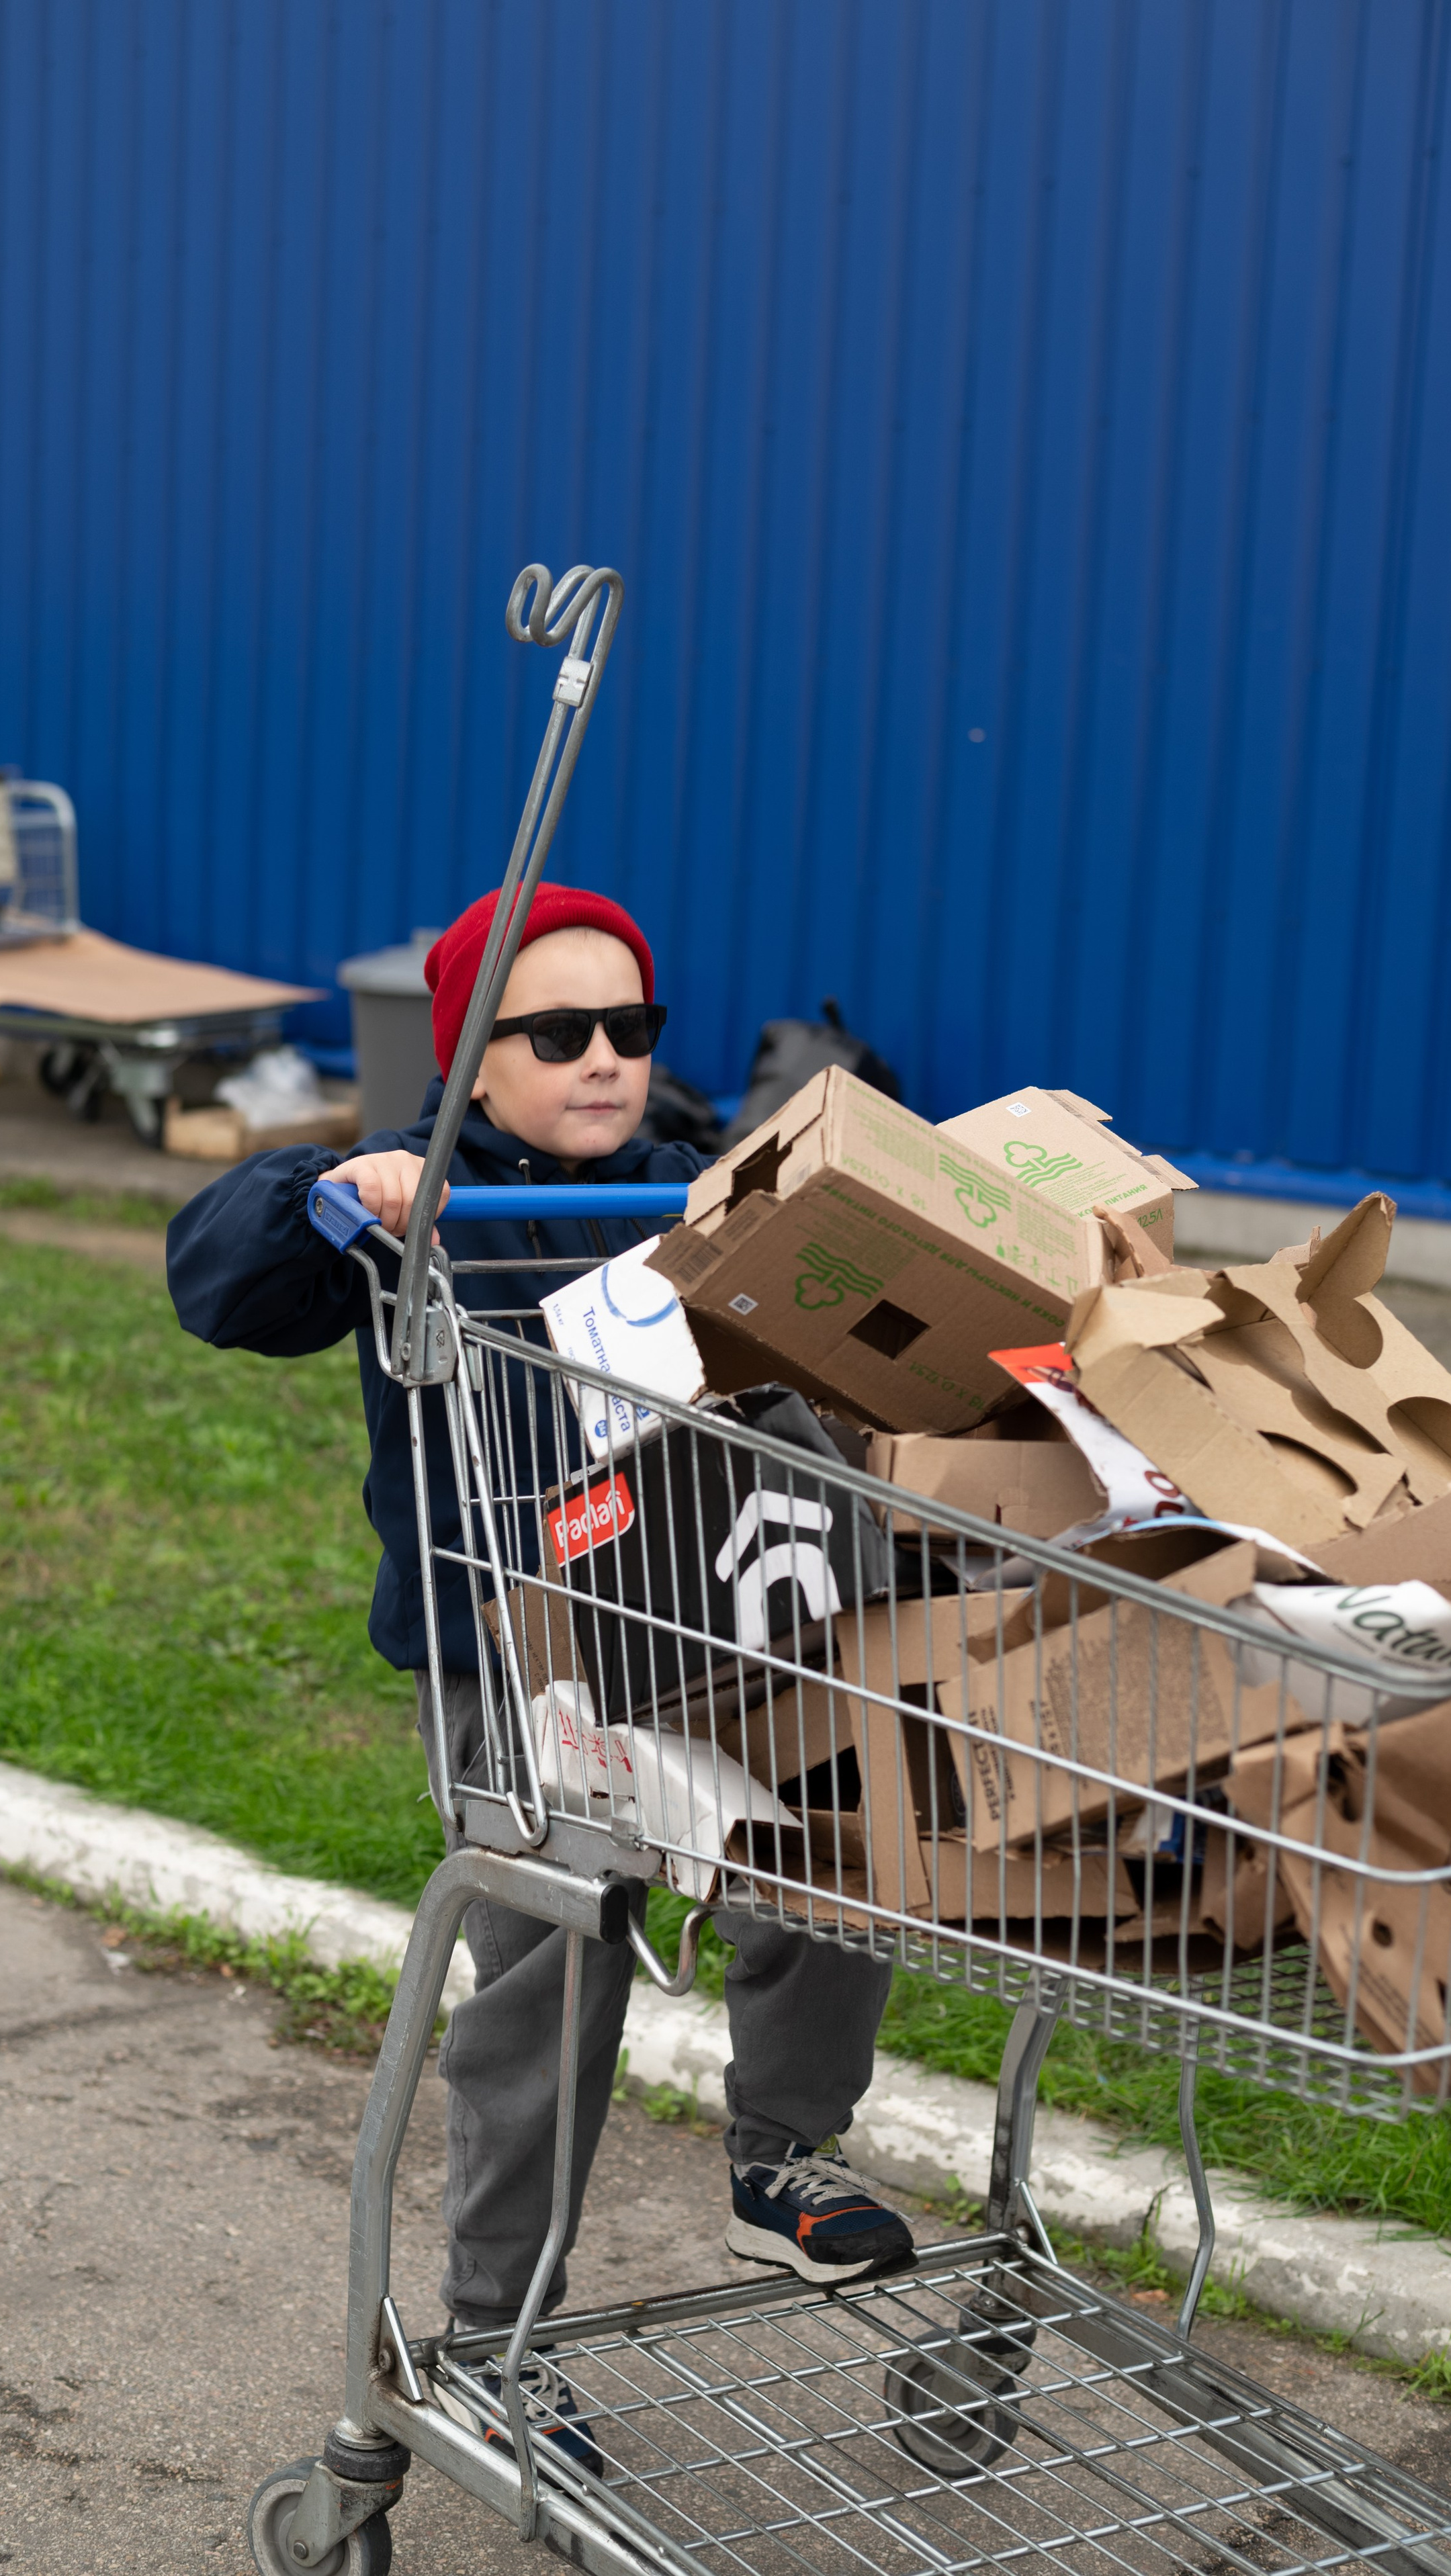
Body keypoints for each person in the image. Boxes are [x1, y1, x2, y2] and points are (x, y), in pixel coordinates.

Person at [167, 884, 910, 2469]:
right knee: (549, 1967)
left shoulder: (681, 1192)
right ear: (468, 1064)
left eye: (628, 1030)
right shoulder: (410, 1201)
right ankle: (498, 2330)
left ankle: (784, 2158)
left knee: (831, 1845)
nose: (601, 1059)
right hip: (507, 1660)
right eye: (555, 1032)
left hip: (709, 1625)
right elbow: (214, 1283)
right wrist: (330, 1185)